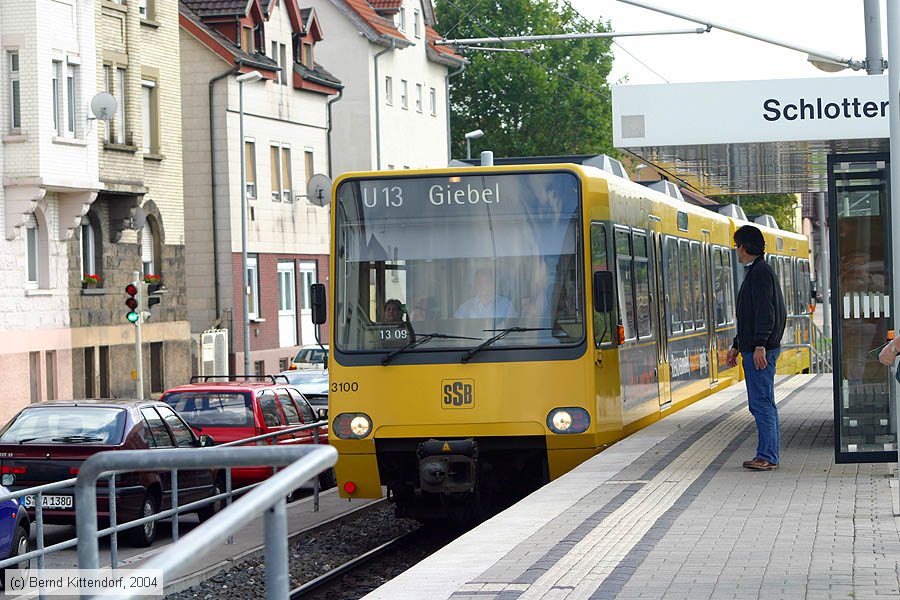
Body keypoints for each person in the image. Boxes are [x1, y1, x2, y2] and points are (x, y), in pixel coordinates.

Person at [725, 224, 786, 471]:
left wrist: (760, 344)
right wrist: (737, 345)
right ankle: (767, 454)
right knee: (762, 403)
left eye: (738, 245)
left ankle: (768, 456)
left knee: (761, 403)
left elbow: (765, 313)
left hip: (761, 350)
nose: (737, 251)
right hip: (754, 347)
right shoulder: (757, 272)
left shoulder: (760, 273)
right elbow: (749, 316)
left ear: (747, 247)